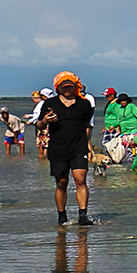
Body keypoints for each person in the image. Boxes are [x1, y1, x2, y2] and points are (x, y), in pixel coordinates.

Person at [39, 72, 96, 226]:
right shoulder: (50, 104)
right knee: (61, 183)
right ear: (58, 88)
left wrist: (89, 145)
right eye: (64, 87)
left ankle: (83, 215)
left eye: (70, 87)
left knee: (80, 180)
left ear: (75, 87)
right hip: (58, 148)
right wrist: (45, 120)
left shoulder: (84, 104)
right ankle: (61, 215)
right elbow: (39, 125)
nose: (67, 90)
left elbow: (86, 126)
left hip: (78, 147)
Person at [28, 89, 53, 159]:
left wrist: (30, 121)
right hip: (48, 125)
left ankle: (42, 160)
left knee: (42, 144)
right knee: (47, 144)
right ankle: (44, 161)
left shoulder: (43, 103)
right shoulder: (52, 103)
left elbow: (38, 115)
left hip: (43, 125)